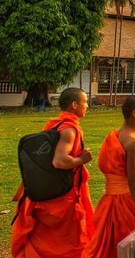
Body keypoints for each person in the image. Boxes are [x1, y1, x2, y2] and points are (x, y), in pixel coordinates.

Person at [12, 87, 95, 257]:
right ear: (74, 105)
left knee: (45, 236)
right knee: (69, 239)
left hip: (50, 188)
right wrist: (82, 160)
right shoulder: (69, 129)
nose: (87, 105)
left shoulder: (55, 124)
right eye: (85, 102)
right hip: (62, 194)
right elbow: (59, 161)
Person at [82, 95, 135, 258]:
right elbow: (134, 180)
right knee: (134, 249)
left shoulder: (113, 136)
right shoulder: (134, 144)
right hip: (127, 203)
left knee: (110, 247)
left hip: (109, 201)